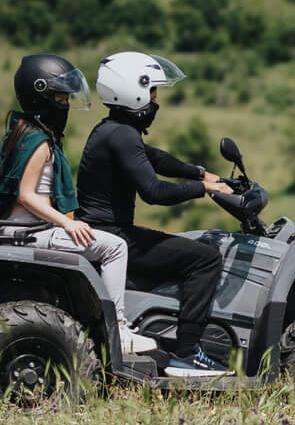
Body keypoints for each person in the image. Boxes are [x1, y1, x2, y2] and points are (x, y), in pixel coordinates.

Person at [77, 50, 235, 378]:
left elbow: (155, 158)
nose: (156, 101)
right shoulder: (121, 135)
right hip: (113, 235)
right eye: (153, 92)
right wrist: (206, 190)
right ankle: (187, 353)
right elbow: (155, 191)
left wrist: (200, 173)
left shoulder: (113, 130)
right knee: (205, 259)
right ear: (133, 90)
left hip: (106, 230)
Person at [0, 53, 155, 356]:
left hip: (16, 229)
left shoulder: (20, 132)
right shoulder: (38, 141)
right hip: (30, 232)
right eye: (61, 98)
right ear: (41, 96)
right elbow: (26, 195)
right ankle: (117, 327)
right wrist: (67, 222)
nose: (65, 105)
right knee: (115, 247)